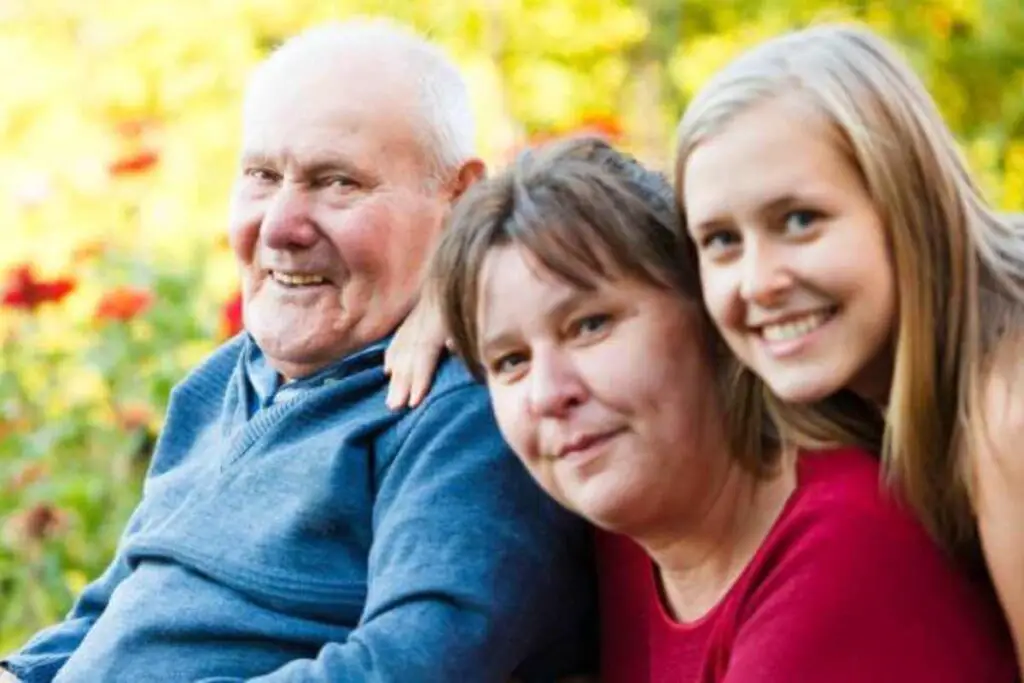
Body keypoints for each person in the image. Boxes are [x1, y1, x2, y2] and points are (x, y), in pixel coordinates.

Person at [0, 19, 596, 683]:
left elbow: (407, 666)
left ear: (457, 200)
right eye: (261, 175)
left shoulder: (461, 407)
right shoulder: (222, 379)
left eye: (337, 181)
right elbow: (119, 607)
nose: (280, 226)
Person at [409, 134, 1017, 681]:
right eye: (510, 361)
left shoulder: (840, 552)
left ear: (708, 313)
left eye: (590, 326)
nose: (548, 393)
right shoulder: (630, 520)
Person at [673, 22, 1024, 669]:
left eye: (800, 221)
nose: (759, 282)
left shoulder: (1010, 402)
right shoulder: (856, 381)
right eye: (722, 240)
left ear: (907, 200)